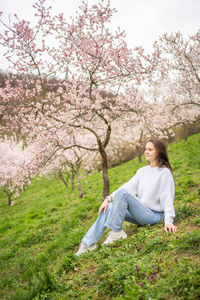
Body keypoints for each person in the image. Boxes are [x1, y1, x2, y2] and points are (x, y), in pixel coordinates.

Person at [75, 138, 177, 256]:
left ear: (159, 152)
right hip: (142, 213)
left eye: (150, 150)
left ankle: (117, 232)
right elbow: (128, 186)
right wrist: (108, 199)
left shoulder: (164, 173)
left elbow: (167, 198)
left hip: (154, 216)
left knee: (123, 193)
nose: (146, 152)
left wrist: (168, 221)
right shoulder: (143, 171)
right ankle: (87, 244)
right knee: (109, 207)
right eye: (145, 149)